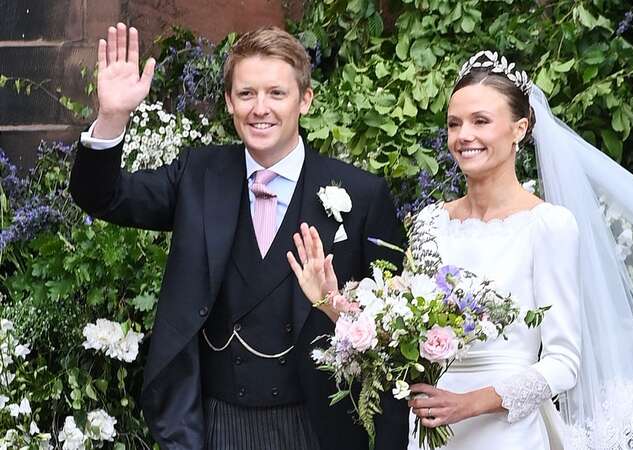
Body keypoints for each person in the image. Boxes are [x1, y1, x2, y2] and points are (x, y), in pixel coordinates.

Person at [294, 50, 633, 450]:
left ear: (520, 128)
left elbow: (563, 362)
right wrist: (332, 302)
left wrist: (470, 404)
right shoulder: (430, 223)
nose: (463, 136)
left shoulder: (548, 226)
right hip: (432, 434)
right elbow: (399, 330)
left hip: (505, 433)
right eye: (454, 124)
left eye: (480, 121)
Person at [69, 23, 409, 450]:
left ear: (305, 100)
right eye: (246, 94)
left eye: (276, 93)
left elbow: (392, 334)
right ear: (229, 102)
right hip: (217, 425)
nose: (259, 108)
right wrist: (113, 116)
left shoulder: (361, 195)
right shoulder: (198, 175)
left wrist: (337, 306)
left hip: (318, 428)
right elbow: (103, 196)